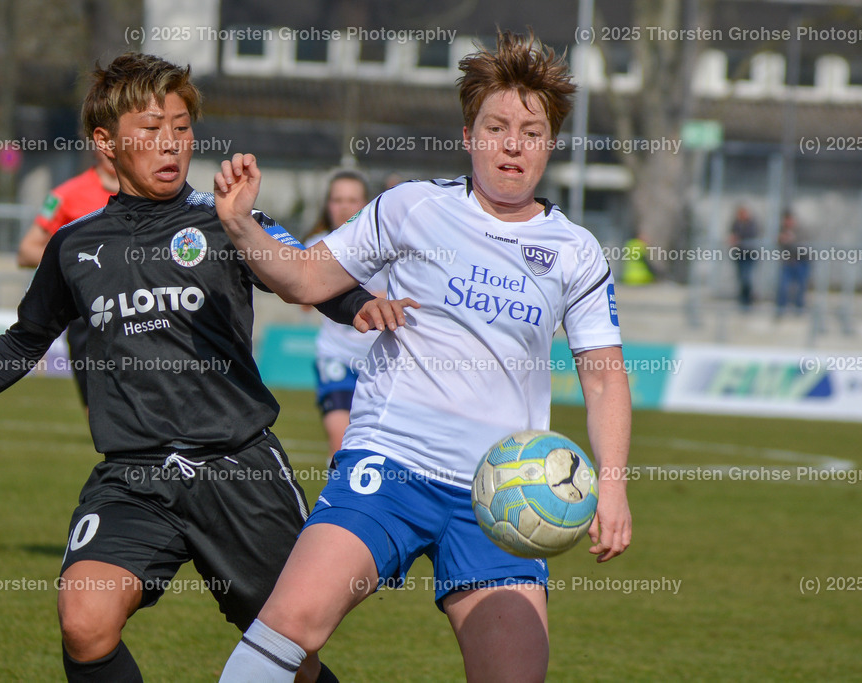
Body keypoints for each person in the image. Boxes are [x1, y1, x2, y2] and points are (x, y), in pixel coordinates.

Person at [0, 52, 409, 683]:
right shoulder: (75, 246)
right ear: (105, 142)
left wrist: (356, 303)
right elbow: (24, 340)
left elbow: (301, 271)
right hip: (134, 477)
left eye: (182, 129)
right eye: (151, 129)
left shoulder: (226, 225)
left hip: (238, 472)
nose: (171, 145)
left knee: (289, 655)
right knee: (84, 618)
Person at [213, 30, 632, 683]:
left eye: (531, 129)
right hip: (390, 463)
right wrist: (240, 226)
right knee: (288, 627)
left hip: (503, 495)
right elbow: (301, 278)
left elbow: (604, 377)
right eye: (496, 126)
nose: (512, 143)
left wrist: (612, 486)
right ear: (469, 135)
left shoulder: (576, 251)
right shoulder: (412, 208)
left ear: (551, 143)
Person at [17, 151, 120, 407]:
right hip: (87, 314)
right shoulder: (65, 195)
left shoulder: (149, 193)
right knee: (96, 405)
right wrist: (81, 260)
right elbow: (26, 251)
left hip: (140, 307)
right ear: (97, 145)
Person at [303, 170, 387, 459]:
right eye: (337, 199)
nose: (344, 206)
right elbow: (302, 297)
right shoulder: (316, 244)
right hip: (336, 356)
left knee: (373, 448)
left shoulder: (386, 245)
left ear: (366, 203)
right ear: (328, 204)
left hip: (380, 362)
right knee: (339, 442)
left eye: (352, 199)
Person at [776, 209, 810, 317]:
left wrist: (794, 241)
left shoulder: (802, 230)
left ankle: (799, 310)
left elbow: (807, 247)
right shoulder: (782, 231)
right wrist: (781, 240)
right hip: (788, 262)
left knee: (801, 286)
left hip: (802, 262)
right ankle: (780, 310)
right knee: (783, 286)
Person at [729, 205, 759, 310]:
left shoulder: (752, 224)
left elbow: (750, 236)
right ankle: (742, 302)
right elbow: (732, 236)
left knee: (747, 278)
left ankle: (748, 301)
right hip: (739, 255)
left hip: (749, 255)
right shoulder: (736, 224)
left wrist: (739, 239)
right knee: (741, 278)